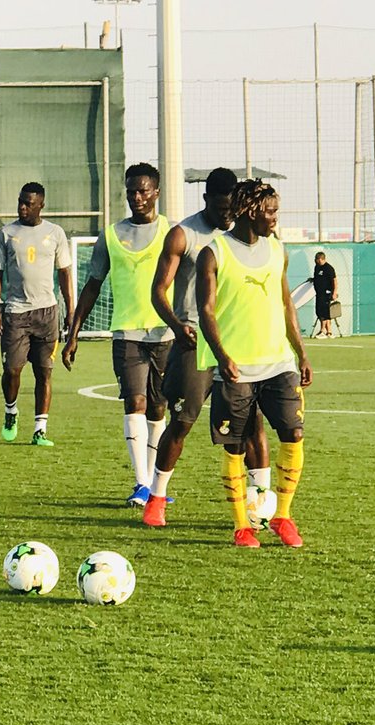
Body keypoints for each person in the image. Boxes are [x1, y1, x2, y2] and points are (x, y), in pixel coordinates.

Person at [141, 167, 272, 528]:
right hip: (194, 343)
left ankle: (260, 504)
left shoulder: (247, 239)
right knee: (182, 421)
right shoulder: (183, 235)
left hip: (238, 345)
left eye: (234, 206)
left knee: (252, 422)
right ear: (207, 200)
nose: (228, 213)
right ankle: (156, 497)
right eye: (222, 205)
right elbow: (158, 291)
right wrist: (176, 324)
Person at [196, 178, 312, 548]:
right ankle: (241, 526)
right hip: (237, 368)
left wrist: (301, 352)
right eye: (271, 211)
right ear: (249, 211)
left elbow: (285, 304)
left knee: (293, 434)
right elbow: (206, 311)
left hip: (279, 363)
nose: (275, 218)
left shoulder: (278, 250)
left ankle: (283, 516)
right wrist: (222, 355)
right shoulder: (214, 252)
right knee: (234, 446)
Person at [64, 162, 173, 504]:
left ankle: (156, 487)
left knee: (158, 409)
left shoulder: (173, 232)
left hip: (166, 335)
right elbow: (92, 286)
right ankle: (141, 483)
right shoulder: (110, 236)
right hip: (126, 333)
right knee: (135, 402)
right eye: (130, 192)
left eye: (143, 191)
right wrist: (73, 333)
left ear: (156, 192)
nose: (136, 198)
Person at [0, 182, 75, 447]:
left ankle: (40, 429)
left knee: (44, 372)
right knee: (12, 370)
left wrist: (70, 311)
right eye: (20, 201)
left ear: (41, 204)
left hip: (47, 313)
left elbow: (64, 274)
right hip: (16, 312)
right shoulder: (6, 234)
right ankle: (11, 410)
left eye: (28, 203)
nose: (22, 207)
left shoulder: (55, 233)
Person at [311, 251, 338, 338]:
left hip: (326, 293)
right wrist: (312, 280)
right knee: (319, 311)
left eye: (317, 260)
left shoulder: (328, 268)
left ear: (322, 259)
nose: (316, 261)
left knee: (324, 312)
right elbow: (318, 278)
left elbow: (334, 281)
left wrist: (334, 292)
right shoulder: (317, 267)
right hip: (319, 293)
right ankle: (329, 332)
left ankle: (322, 330)